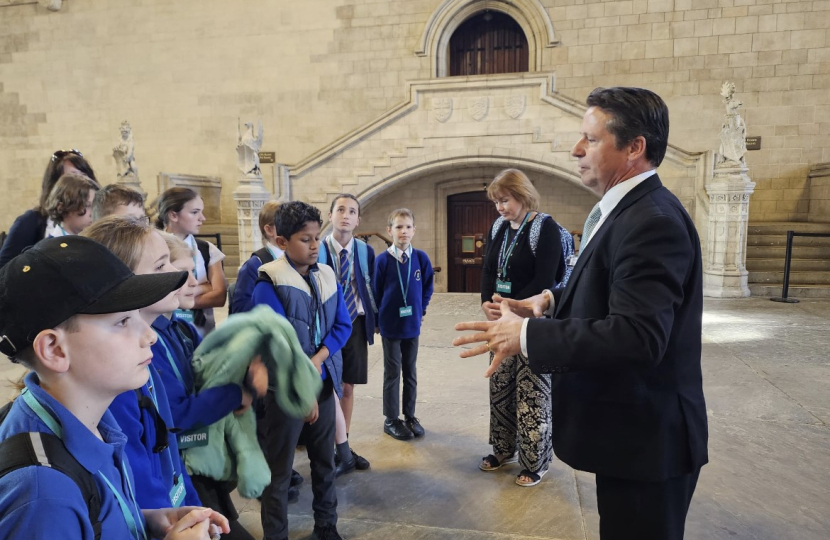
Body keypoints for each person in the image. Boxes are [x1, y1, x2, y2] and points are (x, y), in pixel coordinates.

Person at [453, 87, 708, 540]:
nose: (576, 149)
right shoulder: (625, 211)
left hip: (649, 443)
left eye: (590, 139)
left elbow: (638, 335)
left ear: (634, 148)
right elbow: (614, 289)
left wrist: (528, 336)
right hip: (629, 439)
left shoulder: (652, 221)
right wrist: (548, 301)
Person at [0, 235, 229, 539]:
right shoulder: (43, 495)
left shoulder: (95, 419)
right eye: (122, 321)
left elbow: (97, 516)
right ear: (54, 350)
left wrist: (147, 521)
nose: (150, 337)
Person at [82, 216, 203, 513]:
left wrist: (192, 509)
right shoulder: (114, 381)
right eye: (161, 266)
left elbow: (169, 451)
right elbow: (140, 487)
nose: (179, 276)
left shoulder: (145, 354)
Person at [157, 232, 269, 540]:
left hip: (205, 454)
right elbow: (177, 414)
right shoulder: (149, 343)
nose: (195, 282)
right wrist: (236, 394)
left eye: (194, 271)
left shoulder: (180, 327)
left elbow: (214, 370)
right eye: (183, 273)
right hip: (183, 464)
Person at [251, 201, 351, 540]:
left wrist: (320, 357)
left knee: (324, 463)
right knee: (278, 472)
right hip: (285, 392)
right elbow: (275, 343)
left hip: (321, 386)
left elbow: (343, 325)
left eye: (316, 238)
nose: (314, 246)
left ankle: (327, 525)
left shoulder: (326, 275)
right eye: (304, 239)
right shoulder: (269, 283)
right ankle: (275, 534)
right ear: (281, 242)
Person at [478, 168, 566, 487]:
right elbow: (489, 268)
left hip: (533, 323)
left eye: (505, 200)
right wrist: (487, 302)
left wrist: (511, 307)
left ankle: (536, 461)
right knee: (500, 386)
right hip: (501, 320)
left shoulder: (546, 227)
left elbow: (546, 278)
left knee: (532, 392)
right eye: (497, 202)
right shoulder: (499, 227)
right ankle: (503, 449)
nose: (500, 208)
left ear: (523, 195)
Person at [318, 194, 375, 476]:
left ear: (358, 220)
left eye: (352, 211)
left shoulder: (365, 251)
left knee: (349, 387)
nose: (346, 215)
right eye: (340, 209)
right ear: (330, 215)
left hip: (354, 324)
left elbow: (370, 287)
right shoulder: (317, 249)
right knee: (327, 388)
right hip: (326, 327)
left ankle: (344, 446)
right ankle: (325, 446)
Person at [373, 208, 434, 441]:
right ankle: (391, 418)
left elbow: (427, 286)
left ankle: (409, 415)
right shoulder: (382, 260)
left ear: (414, 230)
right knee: (392, 372)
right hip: (390, 325)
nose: (404, 231)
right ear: (390, 231)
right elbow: (375, 292)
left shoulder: (420, 258)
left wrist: (422, 308)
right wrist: (378, 319)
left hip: (412, 324)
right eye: (398, 227)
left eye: (408, 227)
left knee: (410, 371)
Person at [0, 149, 97, 268]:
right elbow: (4, 270)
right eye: (72, 177)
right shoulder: (30, 221)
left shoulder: (97, 219)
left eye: (83, 176)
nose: (81, 183)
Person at [156, 187, 227, 335]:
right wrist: (204, 287)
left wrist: (176, 299)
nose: (202, 218)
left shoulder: (207, 249)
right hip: (162, 331)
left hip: (203, 333)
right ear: (173, 215)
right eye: (195, 212)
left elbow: (219, 296)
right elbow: (155, 295)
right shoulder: (152, 250)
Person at [232, 200, 283, 314]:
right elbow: (241, 311)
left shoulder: (297, 260)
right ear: (269, 230)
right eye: (285, 224)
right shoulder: (255, 264)